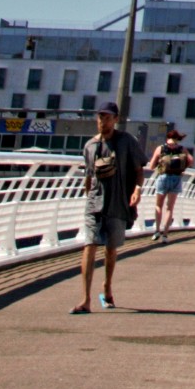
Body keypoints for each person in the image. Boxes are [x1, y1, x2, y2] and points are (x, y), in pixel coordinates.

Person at [73, 102, 143, 314]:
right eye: (100, 117)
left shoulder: (127, 141)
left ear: (115, 119)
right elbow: (88, 177)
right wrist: (88, 198)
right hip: (95, 204)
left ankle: (107, 286)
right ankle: (85, 299)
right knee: (89, 245)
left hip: (118, 203)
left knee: (111, 249)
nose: (103, 121)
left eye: (107, 117)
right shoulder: (90, 146)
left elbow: (139, 169)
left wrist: (137, 189)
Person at [146, 122, 192, 240]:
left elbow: (151, 166)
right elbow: (191, 160)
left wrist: (158, 166)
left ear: (168, 138)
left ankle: (157, 231)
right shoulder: (182, 148)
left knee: (158, 206)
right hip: (176, 178)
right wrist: (183, 169)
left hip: (163, 177)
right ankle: (165, 235)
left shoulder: (161, 148)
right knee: (169, 208)